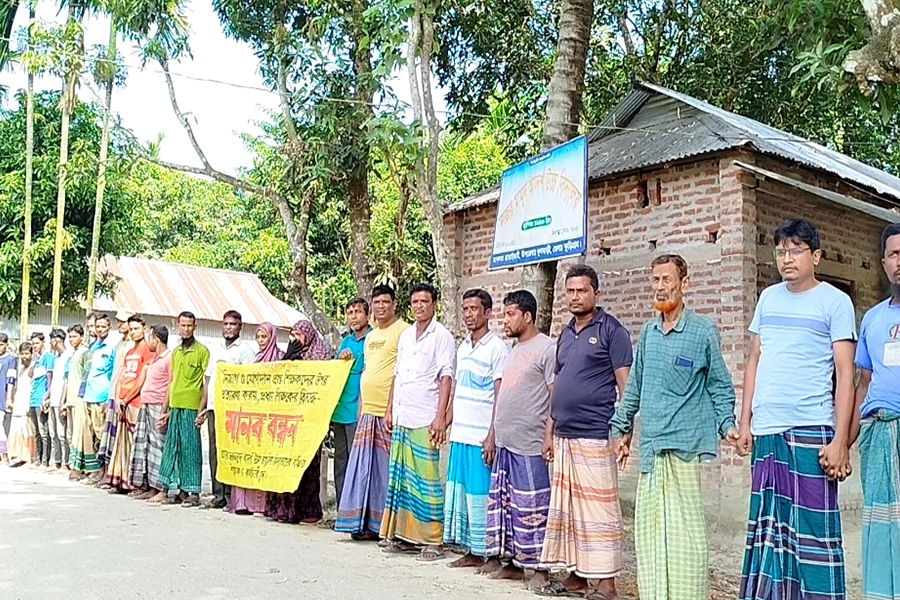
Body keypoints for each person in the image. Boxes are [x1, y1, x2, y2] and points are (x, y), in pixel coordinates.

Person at [737, 219, 856, 600]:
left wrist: (841, 441)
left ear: (816, 257)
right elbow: (754, 359)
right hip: (768, 432)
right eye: (781, 251)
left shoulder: (835, 302)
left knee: (814, 532)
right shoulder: (768, 298)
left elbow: (845, 373)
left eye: (795, 250)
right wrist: (745, 423)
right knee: (769, 532)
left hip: (811, 429)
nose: (786, 259)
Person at [610, 255, 739, 600]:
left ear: (685, 284)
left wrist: (728, 425)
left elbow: (720, 385)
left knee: (687, 539)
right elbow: (633, 388)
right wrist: (621, 429)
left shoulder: (702, 330)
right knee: (651, 537)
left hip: (684, 451)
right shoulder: (649, 334)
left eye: (668, 279)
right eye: (655, 280)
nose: (661, 286)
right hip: (651, 452)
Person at [539, 266, 632, 599]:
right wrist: (549, 431)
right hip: (563, 435)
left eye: (581, 290)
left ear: (596, 293)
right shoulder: (565, 334)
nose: (575, 297)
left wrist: (625, 431)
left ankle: (606, 584)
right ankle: (577, 577)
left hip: (596, 433)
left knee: (599, 511)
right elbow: (559, 386)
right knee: (569, 509)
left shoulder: (612, 331)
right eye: (570, 291)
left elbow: (626, 386)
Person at [482, 290, 555, 588]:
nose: (506, 319)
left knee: (534, 508)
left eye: (511, 314)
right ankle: (511, 563)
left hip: (530, 444)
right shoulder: (513, 350)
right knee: (508, 507)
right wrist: (493, 434)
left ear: (527, 316)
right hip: (506, 444)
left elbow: (555, 396)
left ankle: (541, 569)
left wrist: (549, 435)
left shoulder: (547, 348)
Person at [380, 283, 456, 562]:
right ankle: (403, 536)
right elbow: (397, 375)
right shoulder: (406, 337)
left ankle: (434, 540)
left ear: (434, 304)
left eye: (424, 301)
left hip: (425, 417)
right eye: (415, 302)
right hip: (402, 415)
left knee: (426, 480)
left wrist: (441, 417)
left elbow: (446, 376)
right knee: (401, 479)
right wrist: (389, 410)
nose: (419, 306)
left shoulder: (442, 336)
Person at [336, 285, 410, 540]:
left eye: (385, 302)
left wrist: (391, 409)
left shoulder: (404, 331)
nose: (380, 306)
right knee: (363, 471)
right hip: (366, 411)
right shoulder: (371, 337)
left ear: (394, 304)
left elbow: (402, 374)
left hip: (388, 413)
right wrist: (360, 409)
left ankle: (387, 528)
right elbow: (368, 372)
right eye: (376, 302)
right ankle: (363, 524)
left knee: (384, 472)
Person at [851, 223, 900, 600]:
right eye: (894, 254)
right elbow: (862, 383)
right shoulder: (872, 318)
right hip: (877, 433)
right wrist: (843, 443)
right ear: (883, 263)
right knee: (881, 522)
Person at [443, 289, 508, 569]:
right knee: (463, 493)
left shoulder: (497, 348)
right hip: (460, 434)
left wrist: (492, 435)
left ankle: (489, 553)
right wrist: (445, 422)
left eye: (474, 309)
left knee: (482, 494)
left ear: (488, 313)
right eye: (465, 309)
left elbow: (500, 394)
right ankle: (471, 550)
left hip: (481, 435)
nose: (469, 314)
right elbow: (457, 390)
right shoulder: (463, 347)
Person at [265, 320, 331, 524]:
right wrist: (288, 358)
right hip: (287, 420)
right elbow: (277, 382)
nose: (295, 338)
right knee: (285, 463)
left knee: (307, 467)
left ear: (309, 336)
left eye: (299, 334)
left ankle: (308, 512)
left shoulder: (319, 355)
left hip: (310, 420)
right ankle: (284, 510)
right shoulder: (289, 356)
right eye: (292, 334)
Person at [202, 310, 256, 510]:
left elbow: (248, 381)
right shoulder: (215, 348)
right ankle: (218, 495)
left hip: (233, 409)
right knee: (214, 451)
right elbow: (208, 379)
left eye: (233, 324)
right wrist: (203, 406)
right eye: (226, 324)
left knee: (230, 451)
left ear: (240, 326)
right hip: (214, 406)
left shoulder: (245, 350)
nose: (229, 328)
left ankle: (230, 494)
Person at [157, 311, 210, 507]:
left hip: (191, 408)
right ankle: (179, 490)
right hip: (176, 407)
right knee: (173, 448)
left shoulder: (203, 351)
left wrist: (201, 410)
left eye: (190, 325)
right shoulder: (176, 352)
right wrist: (165, 410)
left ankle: (194, 492)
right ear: (177, 326)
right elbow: (172, 382)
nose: (186, 329)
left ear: (195, 327)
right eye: (183, 325)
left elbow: (206, 382)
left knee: (191, 450)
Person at [230, 321, 283, 516]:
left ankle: (264, 506)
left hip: (271, 419)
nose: (261, 341)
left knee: (265, 461)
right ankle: (245, 504)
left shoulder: (280, 359)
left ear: (272, 337)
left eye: (264, 337)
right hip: (253, 418)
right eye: (258, 337)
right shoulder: (255, 360)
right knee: (251, 460)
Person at [104, 316, 154, 492]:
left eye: (136, 329)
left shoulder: (148, 350)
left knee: (135, 443)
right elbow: (121, 377)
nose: (133, 332)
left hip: (136, 402)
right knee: (122, 442)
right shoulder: (130, 352)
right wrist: (118, 398)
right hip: (123, 402)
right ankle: (122, 481)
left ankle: (137, 483)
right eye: (131, 329)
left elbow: (142, 379)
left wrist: (126, 399)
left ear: (144, 328)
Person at [332, 298, 372, 512]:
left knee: (360, 463)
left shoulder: (373, 339)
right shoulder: (346, 342)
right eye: (350, 312)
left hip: (361, 408)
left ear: (367, 315)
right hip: (341, 410)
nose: (354, 316)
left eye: (358, 312)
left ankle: (358, 511)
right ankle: (342, 510)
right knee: (340, 462)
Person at [73, 313, 116, 483]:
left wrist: (108, 399)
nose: (99, 329)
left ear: (109, 327)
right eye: (97, 326)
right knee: (90, 434)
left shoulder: (111, 348)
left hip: (102, 395)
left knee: (101, 435)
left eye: (103, 326)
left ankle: (104, 471)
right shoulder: (92, 348)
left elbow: (112, 374)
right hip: (88, 395)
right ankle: (94, 470)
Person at [132, 325, 173, 503]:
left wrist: (165, 410)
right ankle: (150, 486)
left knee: (159, 447)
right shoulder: (156, 359)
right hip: (147, 404)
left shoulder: (169, 357)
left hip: (158, 405)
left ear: (156, 338)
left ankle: (162, 489)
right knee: (147, 446)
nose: (148, 342)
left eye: (150, 338)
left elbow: (171, 383)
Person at [96, 311, 135, 486]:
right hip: (112, 393)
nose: (120, 325)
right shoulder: (119, 344)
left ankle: (123, 477)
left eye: (123, 322)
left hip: (125, 396)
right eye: (118, 322)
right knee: (110, 437)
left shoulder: (134, 345)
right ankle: (110, 474)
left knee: (123, 439)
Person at [29, 332, 55, 468]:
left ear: (43, 342)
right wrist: (34, 359)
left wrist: (47, 396)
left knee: (44, 431)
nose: (35, 346)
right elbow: (30, 374)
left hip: (41, 398)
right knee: (37, 432)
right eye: (33, 344)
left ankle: (46, 459)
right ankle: (38, 458)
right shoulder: (37, 360)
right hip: (33, 399)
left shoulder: (49, 358)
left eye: (37, 343)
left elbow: (50, 379)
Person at [45, 329, 69, 472]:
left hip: (61, 399)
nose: (51, 343)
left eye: (51, 341)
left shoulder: (68, 356)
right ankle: (56, 461)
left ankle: (65, 462)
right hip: (53, 399)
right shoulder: (57, 358)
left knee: (62, 433)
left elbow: (66, 380)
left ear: (57, 340)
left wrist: (63, 400)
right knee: (53, 433)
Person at [8, 342, 34, 467]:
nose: (24, 356)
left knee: (27, 429)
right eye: (22, 354)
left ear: (31, 354)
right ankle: (20, 456)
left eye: (27, 354)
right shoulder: (21, 369)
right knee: (17, 428)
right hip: (19, 401)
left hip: (28, 403)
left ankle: (29, 457)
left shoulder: (33, 368)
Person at [0, 332, 18, 465]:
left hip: (2, 396)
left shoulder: (11, 360)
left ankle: (5, 454)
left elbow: (10, 380)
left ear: (6, 344)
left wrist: (9, 398)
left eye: (1, 345)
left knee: (0, 426)